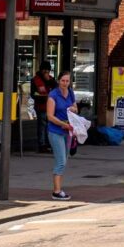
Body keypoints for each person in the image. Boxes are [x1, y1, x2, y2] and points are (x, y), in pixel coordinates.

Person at [47, 70, 78, 200]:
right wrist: (62, 124)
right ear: (58, 81)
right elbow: (50, 116)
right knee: (61, 161)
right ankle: (56, 191)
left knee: (64, 160)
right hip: (55, 131)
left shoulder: (70, 92)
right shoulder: (53, 95)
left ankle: (58, 189)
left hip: (67, 131)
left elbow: (76, 108)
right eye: (63, 81)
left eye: (67, 81)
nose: (65, 83)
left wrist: (73, 109)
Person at [31, 61, 56, 152]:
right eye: (44, 70)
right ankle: (42, 145)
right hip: (41, 106)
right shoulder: (35, 80)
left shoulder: (51, 79)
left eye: (47, 70)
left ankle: (49, 144)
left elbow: (56, 89)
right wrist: (41, 97)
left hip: (51, 108)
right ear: (41, 70)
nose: (46, 72)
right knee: (42, 126)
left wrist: (48, 80)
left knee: (50, 127)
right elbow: (33, 94)